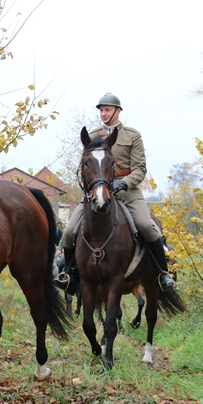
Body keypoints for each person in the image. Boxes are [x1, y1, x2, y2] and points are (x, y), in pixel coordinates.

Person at [53, 92, 175, 294]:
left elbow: (140, 169)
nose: (103, 114)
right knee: (69, 232)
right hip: (97, 193)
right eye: (101, 110)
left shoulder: (132, 136)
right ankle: (70, 274)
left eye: (107, 110)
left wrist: (124, 183)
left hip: (127, 192)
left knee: (146, 225)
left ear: (118, 111)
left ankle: (163, 272)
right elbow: (85, 167)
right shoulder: (92, 136)